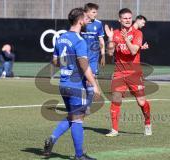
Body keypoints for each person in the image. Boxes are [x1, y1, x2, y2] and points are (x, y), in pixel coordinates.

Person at [43, 8, 100, 160]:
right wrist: (94, 84)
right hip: (76, 86)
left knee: (72, 116)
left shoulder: (60, 38)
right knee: (78, 120)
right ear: (80, 21)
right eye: (86, 18)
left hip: (63, 84)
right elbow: (83, 64)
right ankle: (79, 155)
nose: (88, 21)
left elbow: (55, 61)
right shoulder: (79, 40)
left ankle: (53, 138)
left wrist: (68, 63)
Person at [104, 8, 152, 137]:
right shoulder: (115, 33)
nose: (127, 20)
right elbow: (109, 53)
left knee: (141, 102)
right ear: (119, 19)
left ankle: (147, 123)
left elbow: (133, 51)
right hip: (119, 72)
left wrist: (126, 39)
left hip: (134, 73)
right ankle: (114, 130)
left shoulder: (137, 33)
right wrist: (109, 39)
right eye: (124, 18)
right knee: (116, 99)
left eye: (129, 18)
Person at [82, 3, 105, 115]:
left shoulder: (99, 24)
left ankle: (87, 106)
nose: (96, 14)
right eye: (93, 12)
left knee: (90, 82)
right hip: (80, 58)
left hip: (93, 59)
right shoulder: (80, 23)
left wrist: (103, 55)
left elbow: (101, 41)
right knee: (80, 82)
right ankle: (79, 104)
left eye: (96, 12)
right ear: (87, 12)